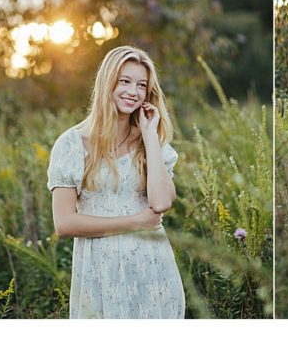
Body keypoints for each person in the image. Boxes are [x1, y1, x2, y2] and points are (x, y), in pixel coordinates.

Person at [47, 45, 185, 318]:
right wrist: (134, 222)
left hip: (152, 270)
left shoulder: (150, 142)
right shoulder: (71, 145)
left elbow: (160, 201)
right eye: (125, 81)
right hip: (99, 272)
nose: (133, 92)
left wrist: (149, 135)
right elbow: (64, 223)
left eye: (141, 85)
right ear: (107, 82)